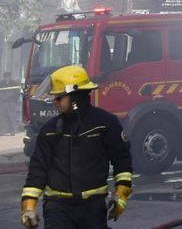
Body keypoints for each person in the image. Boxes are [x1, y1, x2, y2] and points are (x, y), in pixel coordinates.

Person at [20, 66, 132, 228]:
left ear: (75, 97)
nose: (55, 102)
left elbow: (122, 161)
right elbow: (38, 170)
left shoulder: (105, 124)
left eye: (59, 98)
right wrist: (28, 207)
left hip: (93, 208)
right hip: (58, 209)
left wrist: (120, 194)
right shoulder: (49, 131)